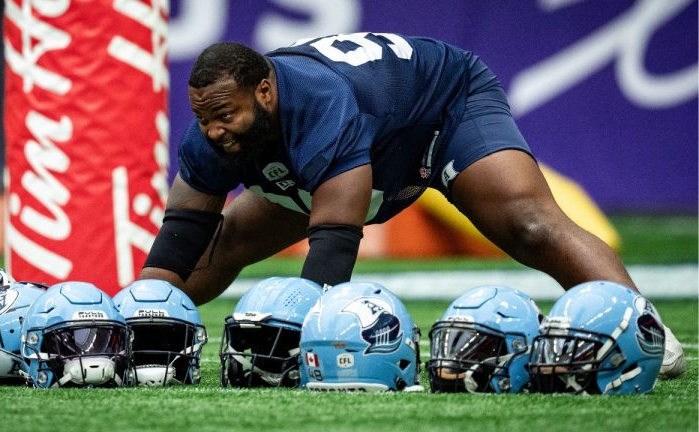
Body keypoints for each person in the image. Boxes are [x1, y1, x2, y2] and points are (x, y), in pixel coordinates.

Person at [138, 32, 685, 378]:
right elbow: (181, 234)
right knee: (223, 241)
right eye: (204, 118)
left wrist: (302, 342)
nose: (214, 132)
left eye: (224, 116)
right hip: (355, 150)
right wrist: (140, 321)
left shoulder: (319, 104)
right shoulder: (214, 130)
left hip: (442, 108)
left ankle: (646, 332)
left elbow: (333, 243)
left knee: (529, 224)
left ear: (264, 92)